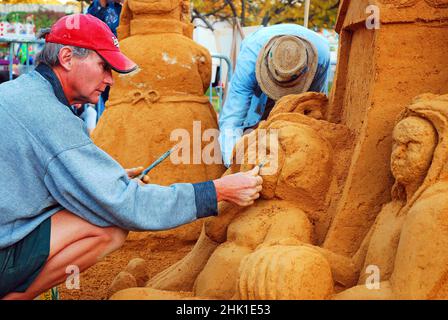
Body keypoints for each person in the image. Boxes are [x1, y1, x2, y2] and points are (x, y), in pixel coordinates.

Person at [0, 14, 262, 300]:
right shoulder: (49, 116)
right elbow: (127, 206)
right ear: (66, 57)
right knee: (108, 225)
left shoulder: (19, 92)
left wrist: (95, 182)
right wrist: (217, 190)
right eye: (104, 66)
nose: (110, 79)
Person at [218, 24, 331, 167]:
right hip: (256, 89)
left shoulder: (321, 56)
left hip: (305, 80)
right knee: (252, 125)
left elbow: (313, 107)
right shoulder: (250, 57)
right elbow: (231, 120)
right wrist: (234, 165)